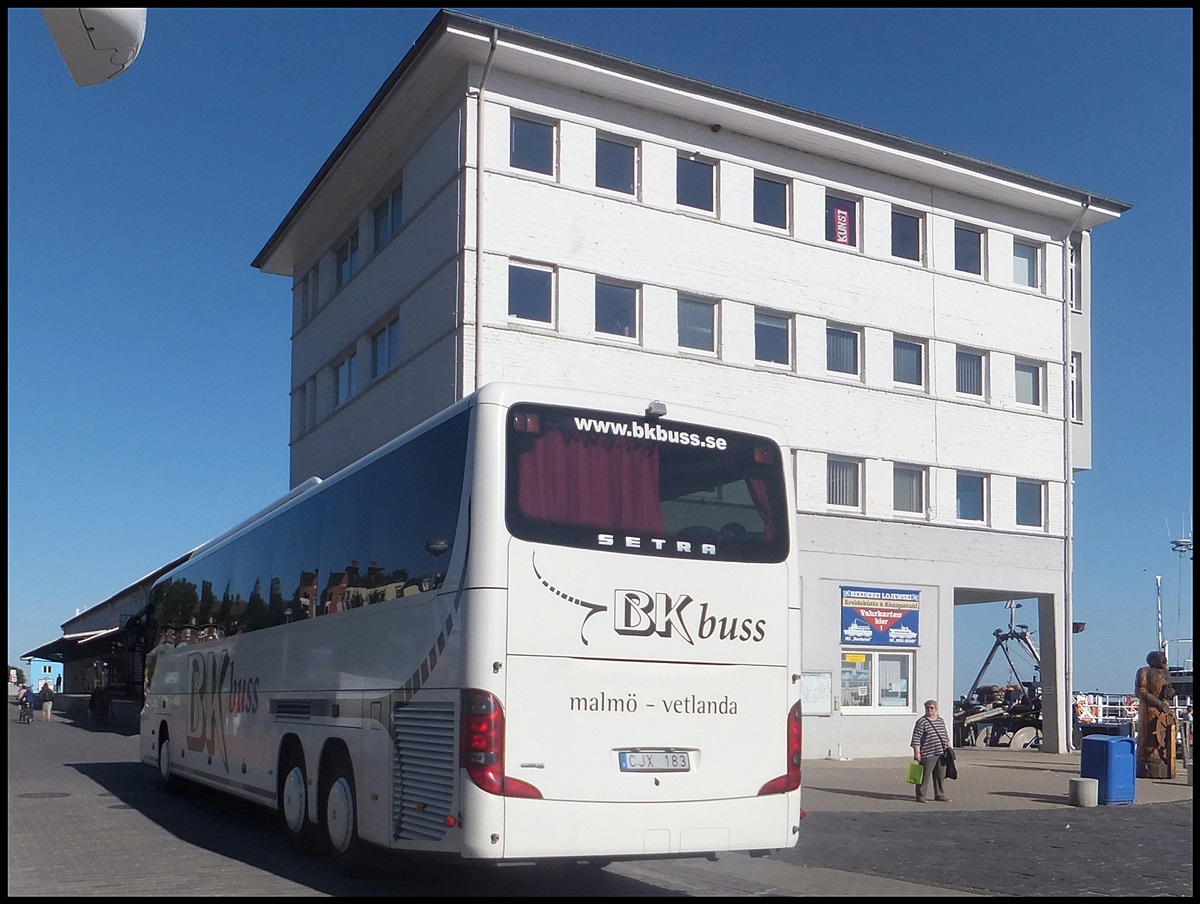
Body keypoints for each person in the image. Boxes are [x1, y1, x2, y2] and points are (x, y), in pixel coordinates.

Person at [1134, 650, 1177, 779]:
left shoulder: (1166, 673)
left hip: (1164, 710)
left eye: (1165, 659)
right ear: (1152, 660)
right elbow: (1140, 691)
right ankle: (1148, 758)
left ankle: (1163, 755)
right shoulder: (1144, 672)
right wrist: (1158, 703)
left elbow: (1170, 688)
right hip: (1149, 709)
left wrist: (1170, 692)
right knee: (1148, 735)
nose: (1165, 661)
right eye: (1161, 659)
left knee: (1163, 735)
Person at [910, 699, 952, 803]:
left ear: (936, 709)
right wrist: (917, 753)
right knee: (924, 776)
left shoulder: (940, 720)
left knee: (940, 775)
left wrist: (948, 746)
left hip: (941, 753)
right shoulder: (921, 722)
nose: (929, 710)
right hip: (928, 753)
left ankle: (939, 794)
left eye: (931, 708)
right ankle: (920, 795)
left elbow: (945, 734)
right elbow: (916, 738)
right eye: (927, 708)